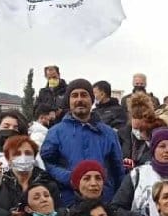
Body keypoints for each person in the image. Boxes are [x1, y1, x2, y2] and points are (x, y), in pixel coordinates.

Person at [40, 78, 125, 206]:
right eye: (74, 95)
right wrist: (71, 177)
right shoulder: (56, 132)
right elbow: (47, 163)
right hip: (69, 202)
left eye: (84, 95)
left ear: (92, 100)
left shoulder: (109, 133)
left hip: (103, 203)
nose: (79, 99)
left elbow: (118, 169)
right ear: (69, 101)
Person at [113, 127, 168, 216]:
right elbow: (116, 209)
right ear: (154, 150)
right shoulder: (137, 175)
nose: (167, 150)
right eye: (162, 146)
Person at [0, 135, 58, 216]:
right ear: (8, 159)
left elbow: (59, 212)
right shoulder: (1, 183)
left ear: (34, 157)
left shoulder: (48, 183)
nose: (23, 157)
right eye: (17, 154)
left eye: (28, 153)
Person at [118, 92, 164, 167]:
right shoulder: (121, 134)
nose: (136, 121)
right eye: (134, 117)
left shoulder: (157, 134)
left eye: (139, 117)